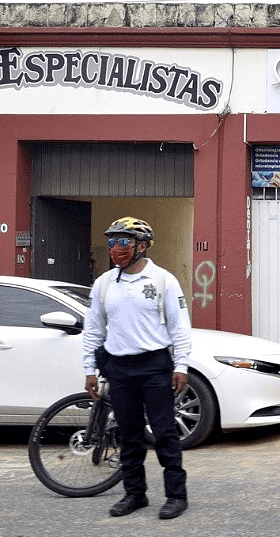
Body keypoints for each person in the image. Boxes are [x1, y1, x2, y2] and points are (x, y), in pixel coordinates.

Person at [82, 217, 192, 520]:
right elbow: (93, 329)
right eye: (112, 242)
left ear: (142, 246)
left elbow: (180, 326)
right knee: (128, 434)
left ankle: (176, 495)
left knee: (164, 432)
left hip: (154, 366)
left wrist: (180, 365)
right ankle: (135, 494)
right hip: (119, 368)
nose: (115, 249)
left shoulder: (163, 281)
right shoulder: (104, 283)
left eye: (123, 242)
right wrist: (90, 368)